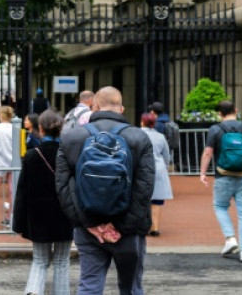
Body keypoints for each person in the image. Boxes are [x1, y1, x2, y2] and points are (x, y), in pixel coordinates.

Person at [56, 86, 154, 295]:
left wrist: (91, 224)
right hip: (129, 231)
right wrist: (121, 226)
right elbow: (144, 189)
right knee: (132, 288)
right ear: (121, 109)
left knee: (89, 286)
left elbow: (63, 187)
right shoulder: (139, 138)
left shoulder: (71, 138)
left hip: (88, 228)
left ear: (95, 107)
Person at [13, 110, 73, 295]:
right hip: (64, 214)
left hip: (38, 215)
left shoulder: (32, 155)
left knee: (39, 261)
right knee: (62, 261)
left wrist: (19, 223)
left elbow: (22, 191)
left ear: (40, 128)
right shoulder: (69, 155)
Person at [198, 101, 242, 263]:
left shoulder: (216, 129)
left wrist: (202, 173)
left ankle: (230, 238)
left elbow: (208, 152)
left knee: (220, 206)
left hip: (223, 176)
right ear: (236, 110)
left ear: (219, 113)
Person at [140, 111, 173, 236]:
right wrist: (164, 167)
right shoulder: (160, 136)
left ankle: (144, 226)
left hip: (142, 168)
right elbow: (166, 156)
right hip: (158, 168)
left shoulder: (137, 134)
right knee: (157, 200)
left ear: (142, 122)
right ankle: (155, 227)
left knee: (142, 199)